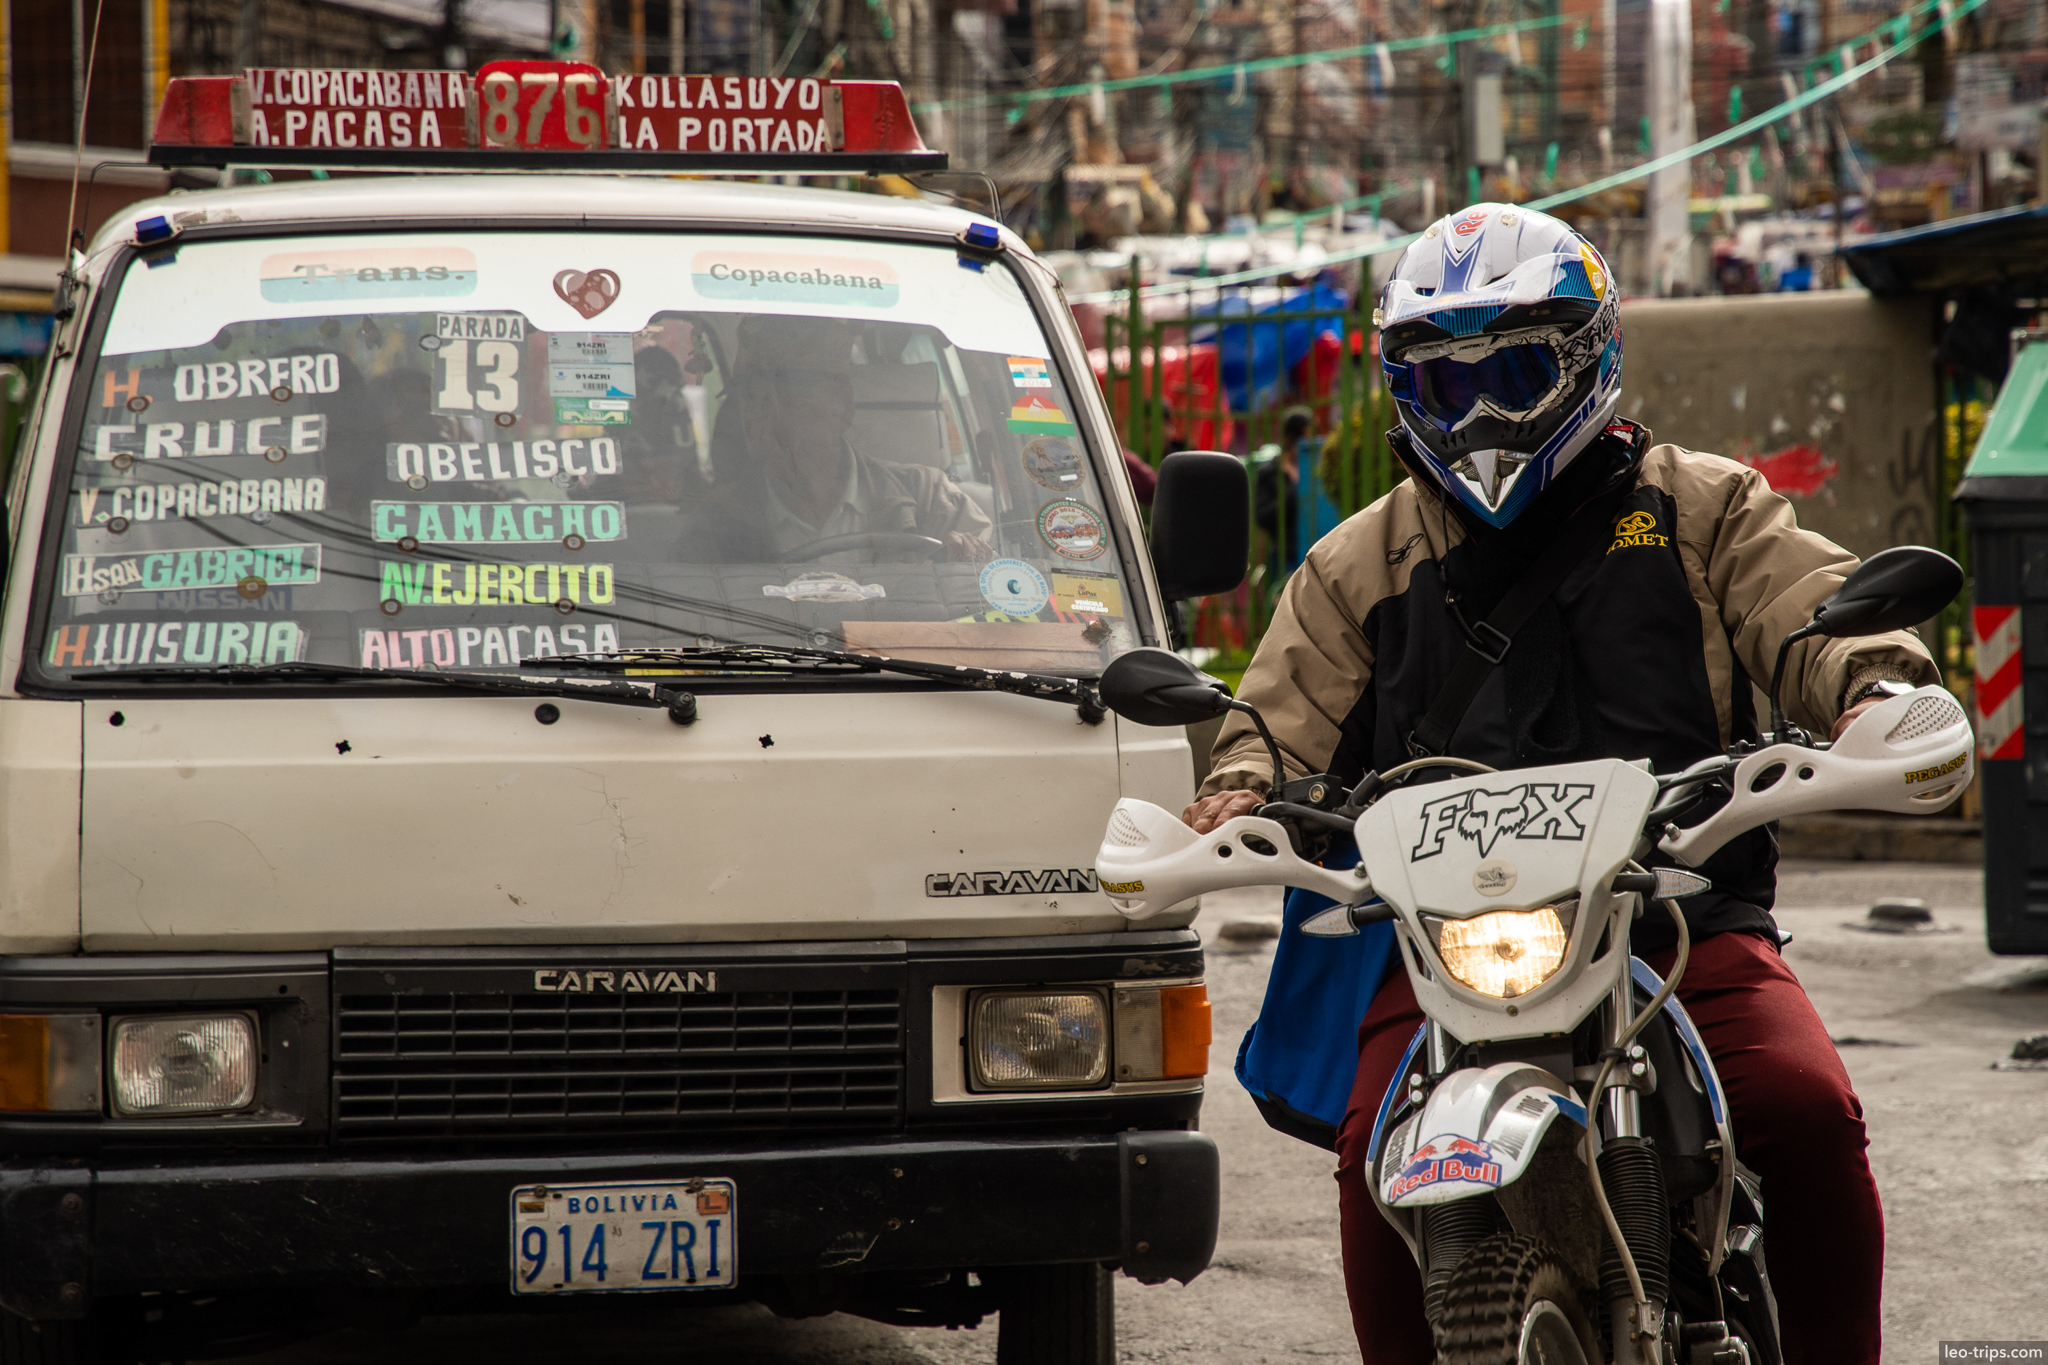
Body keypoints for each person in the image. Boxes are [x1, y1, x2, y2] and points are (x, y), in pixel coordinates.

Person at [1183, 204, 1928, 1365]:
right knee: (1371, 1153)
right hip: (1445, 955)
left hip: (1677, 925)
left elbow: (1811, 618)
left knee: (1800, 1112)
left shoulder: (1702, 509)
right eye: (1443, 386)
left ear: (1587, 357)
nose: (1477, 413)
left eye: (1516, 370)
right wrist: (1233, 793)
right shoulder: (1354, 566)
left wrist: (1872, 696)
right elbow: (1269, 725)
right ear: (1400, 392)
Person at [702, 315, 995, 563]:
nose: (771, 417)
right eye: (757, 402)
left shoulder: (931, 499)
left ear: (843, 405)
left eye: (791, 395)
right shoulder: (719, 520)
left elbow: (1004, 592)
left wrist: (962, 558)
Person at [1252, 406, 1315, 574]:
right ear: (1290, 439)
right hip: (1285, 554)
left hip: (1317, 548)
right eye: (1304, 438)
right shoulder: (1270, 472)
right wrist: (1293, 492)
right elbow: (1262, 516)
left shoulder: (1315, 469)